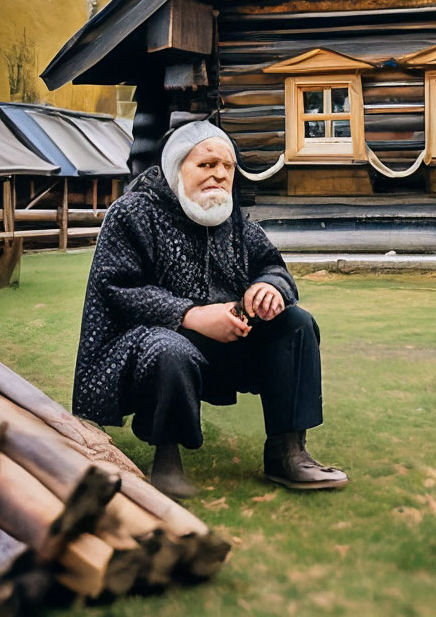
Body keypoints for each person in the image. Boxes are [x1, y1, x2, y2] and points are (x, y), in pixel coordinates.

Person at [73, 119, 347, 497]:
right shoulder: (133, 213)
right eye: (205, 165)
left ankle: (287, 451)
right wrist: (192, 316)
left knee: (295, 323)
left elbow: (271, 263)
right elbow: (117, 286)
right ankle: (166, 458)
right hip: (144, 348)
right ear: (176, 168)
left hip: (224, 343)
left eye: (227, 166)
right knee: (169, 348)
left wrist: (269, 287)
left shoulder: (229, 216)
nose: (219, 174)